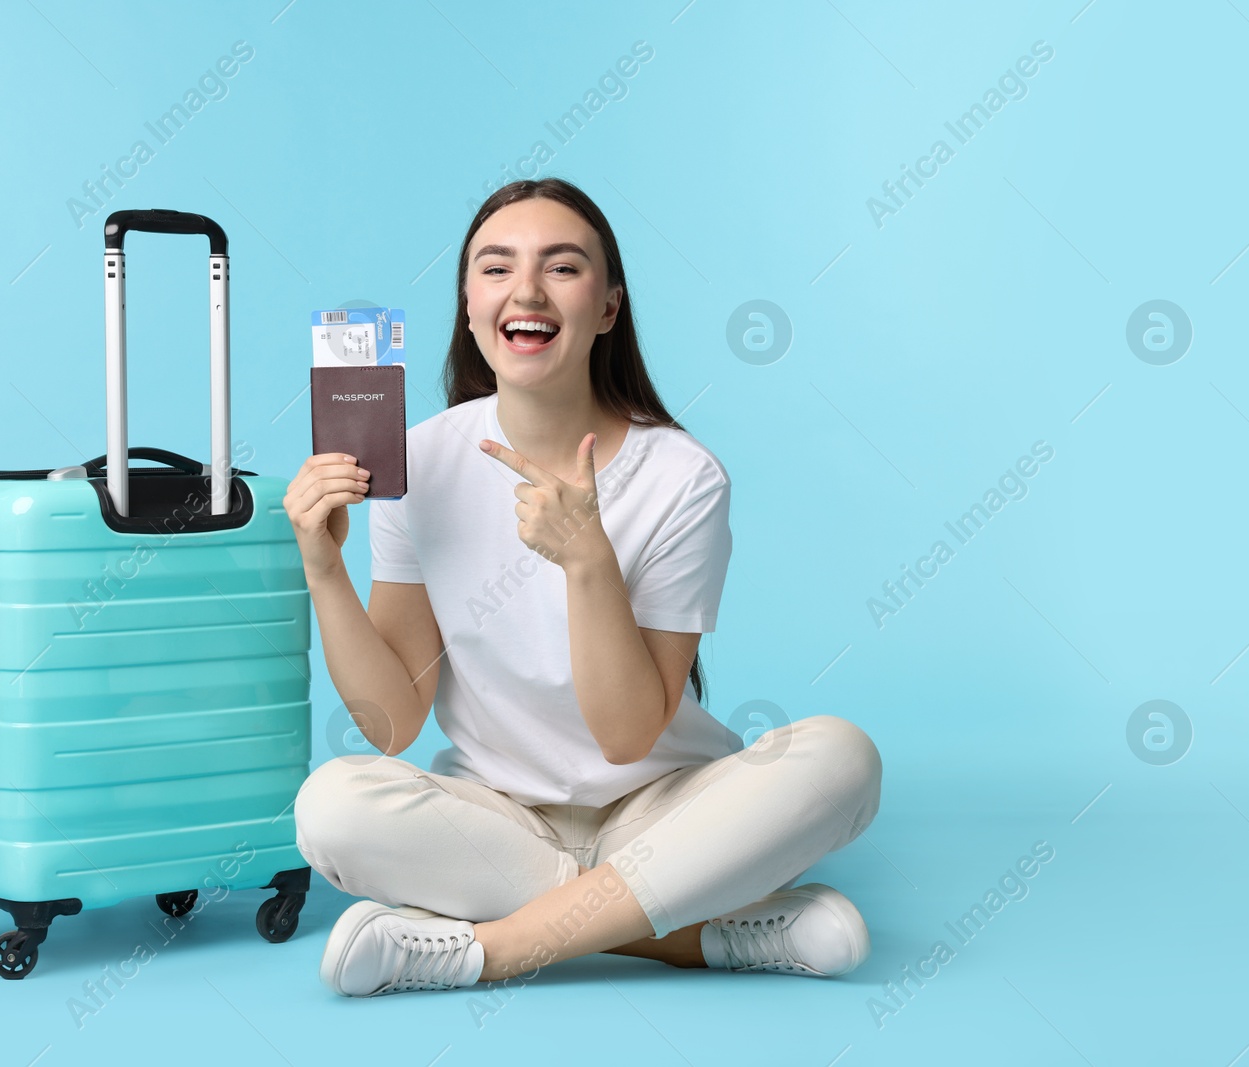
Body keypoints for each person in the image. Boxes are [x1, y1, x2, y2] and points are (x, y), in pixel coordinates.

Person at [282, 177, 882, 998]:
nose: (525, 290)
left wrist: (587, 559)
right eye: (496, 269)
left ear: (608, 308)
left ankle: (487, 950)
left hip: (666, 804)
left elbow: (629, 734)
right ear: (468, 305)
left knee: (841, 759)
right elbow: (392, 723)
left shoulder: (683, 476)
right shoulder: (416, 463)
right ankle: (698, 931)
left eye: (561, 268)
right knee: (332, 805)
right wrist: (322, 567)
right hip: (499, 818)